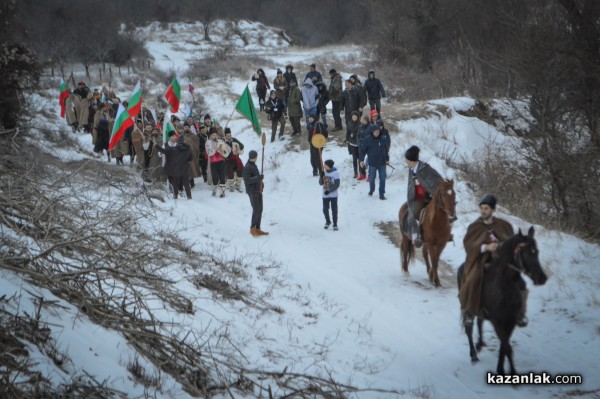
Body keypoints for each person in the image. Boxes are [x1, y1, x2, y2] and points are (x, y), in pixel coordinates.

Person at [459, 194, 528, 327]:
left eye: (486, 208)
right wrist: (486, 247)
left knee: (521, 283)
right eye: (482, 208)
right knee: (472, 280)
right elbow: (469, 245)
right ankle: (469, 312)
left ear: (493, 210)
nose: (483, 211)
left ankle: (520, 314)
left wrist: (503, 247)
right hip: (481, 261)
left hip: (502, 262)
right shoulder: (475, 227)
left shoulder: (504, 225)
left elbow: (512, 243)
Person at [404, 145, 444, 247]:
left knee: (443, 209)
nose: (405, 161)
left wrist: (435, 192)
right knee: (411, 214)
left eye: (407, 159)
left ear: (412, 160)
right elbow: (411, 186)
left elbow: (437, 179)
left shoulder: (425, 169)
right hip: (418, 198)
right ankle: (416, 235)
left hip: (430, 197)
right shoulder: (411, 169)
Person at [154, 134, 193, 200]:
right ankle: (189, 197)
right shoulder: (188, 149)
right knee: (186, 183)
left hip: (176, 169)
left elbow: (164, 151)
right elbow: (191, 159)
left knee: (175, 183)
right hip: (185, 168)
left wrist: (156, 145)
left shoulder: (173, 149)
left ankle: (175, 196)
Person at [359, 125, 390, 200]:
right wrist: (361, 160)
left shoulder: (383, 139)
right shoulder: (368, 139)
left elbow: (386, 150)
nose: (377, 133)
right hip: (372, 163)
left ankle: (381, 193)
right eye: (375, 132)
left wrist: (387, 159)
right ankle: (371, 190)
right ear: (372, 132)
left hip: (382, 163)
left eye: (378, 132)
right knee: (372, 179)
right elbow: (363, 150)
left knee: (382, 179)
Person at [243, 150, 268, 236]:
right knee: (256, 209)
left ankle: (258, 228)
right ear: (254, 157)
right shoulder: (247, 167)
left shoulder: (253, 165)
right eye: (255, 157)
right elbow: (247, 180)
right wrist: (258, 178)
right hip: (252, 191)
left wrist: (261, 183)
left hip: (258, 190)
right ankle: (252, 228)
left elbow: (256, 177)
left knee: (260, 209)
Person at [205, 127, 230, 198]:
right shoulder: (208, 142)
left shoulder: (220, 141)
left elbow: (228, 150)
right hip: (213, 163)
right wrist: (216, 149)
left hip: (222, 162)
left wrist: (223, 150)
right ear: (210, 136)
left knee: (222, 177)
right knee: (215, 178)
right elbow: (209, 152)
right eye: (213, 135)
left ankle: (222, 193)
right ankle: (214, 190)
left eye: (216, 135)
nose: (214, 136)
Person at [319, 159, 341, 230]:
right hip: (325, 195)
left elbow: (337, 184)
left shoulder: (336, 173)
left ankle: (335, 223)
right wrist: (321, 176)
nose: (324, 166)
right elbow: (320, 183)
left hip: (333, 195)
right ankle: (328, 221)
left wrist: (329, 191)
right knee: (325, 209)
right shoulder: (324, 172)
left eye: (325, 165)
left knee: (334, 209)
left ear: (329, 166)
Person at [224, 127, 244, 192]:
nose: (229, 137)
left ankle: (238, 185)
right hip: (227, 160)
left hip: (235, 159)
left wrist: (239, 147)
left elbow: (242, 145)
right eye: (228, 136)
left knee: (240, 169)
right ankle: (231, 186)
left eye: (230, 135)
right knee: (230, 171)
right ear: (225, 135)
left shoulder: (234, 140)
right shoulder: (223, 142)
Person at [183, 123, 201, 188]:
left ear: (190, 128)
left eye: (187, 127)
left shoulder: (194, 136)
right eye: (185, 127)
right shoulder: (181, 136)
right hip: (183, 156)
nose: (186, 128)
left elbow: (196, 146)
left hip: (192, 155)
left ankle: (192, 182)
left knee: (191, 168)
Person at [345, 111, 361, 178]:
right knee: (354, 159)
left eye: (355, 116)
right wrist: (347, 139)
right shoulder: (349, 123)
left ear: (357, 117)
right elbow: (348, 132)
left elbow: (361, 133)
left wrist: (354, 134)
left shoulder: (360, 123)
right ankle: (355, 172)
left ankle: (362, 172)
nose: (354, 117)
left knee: (360, 158)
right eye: (353, 116)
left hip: (359, 144)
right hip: (352, 143)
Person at [355, 115, 371, 180]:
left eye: (361, 119)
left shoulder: (371, 127)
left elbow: (370, 137)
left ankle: (370, 175)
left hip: (369, 146)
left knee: (370, 160)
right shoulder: (360, 127)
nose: (360, 120)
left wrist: (363, 140)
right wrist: (359, 143)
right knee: (361, 160)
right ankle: (362, 174)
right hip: (361, 147)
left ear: (365, 120)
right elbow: (358, 136)